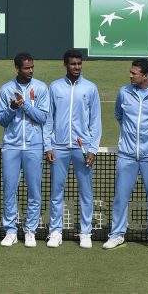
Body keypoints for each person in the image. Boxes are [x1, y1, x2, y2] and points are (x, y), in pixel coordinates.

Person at [102, 59, 148, 251]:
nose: (130, 75)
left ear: (146, 76)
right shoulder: (124, 93)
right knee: (120, 196)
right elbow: (120, 115)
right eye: (130, 72)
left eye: (134, 73)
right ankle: (117, 234)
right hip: (127, 154)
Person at [44, 50, 101, 249]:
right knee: (56, 191)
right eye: (73, 64)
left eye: (79, 64)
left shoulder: (90, 88)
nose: (76, 67)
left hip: (82, 148)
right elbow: (49, 118)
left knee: (86, 192)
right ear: (65, 65)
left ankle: (85, 233)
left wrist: (92, 148)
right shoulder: (55, 87)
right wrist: (48, 145)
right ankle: (55, 232)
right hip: (58, 147)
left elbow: (95, 121)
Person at [0, 53, 49, 248]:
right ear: (17, 68)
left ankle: (30, 231)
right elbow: (1, 120)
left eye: (32, 67)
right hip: (11, 146)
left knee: (34, 191)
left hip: (34, 146)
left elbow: (43, 117)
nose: (31, 71)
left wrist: (24, 105)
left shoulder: (41, 88)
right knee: (10, 189)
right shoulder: (6, 90)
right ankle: (10, 231)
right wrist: (11, 108)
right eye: (27, 68)